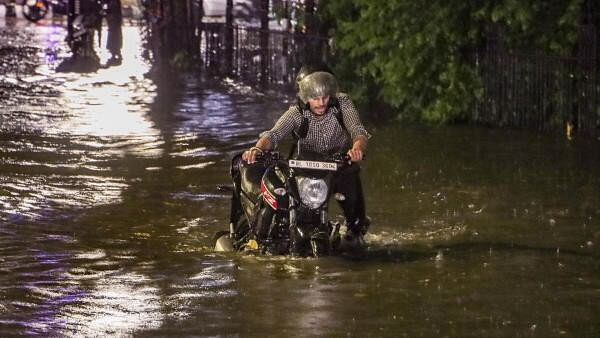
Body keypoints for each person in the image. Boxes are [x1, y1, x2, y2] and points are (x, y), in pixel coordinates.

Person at [241, 64, 372, 243]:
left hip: (340, 164)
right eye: (315, 98)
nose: (321, 103)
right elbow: (274, 134)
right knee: (285, 200)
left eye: (325, 97)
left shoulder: (343, 104)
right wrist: (257, 149)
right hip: (306, 167)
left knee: (356, 221)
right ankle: (262, 239)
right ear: (305, 97)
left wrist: (357, 148)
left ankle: (355, 234)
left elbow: (358, 130)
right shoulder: (296, 113)